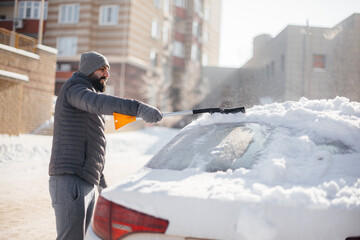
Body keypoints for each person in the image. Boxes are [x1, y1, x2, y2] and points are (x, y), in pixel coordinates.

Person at [48, 51, 163, 240]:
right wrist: (138, 108)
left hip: (86, 180)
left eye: (107, 70)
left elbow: (92, 144)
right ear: (89, 70)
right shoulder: (75, 89)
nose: (106, 75)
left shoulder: (87, 99)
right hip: (70, 179)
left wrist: (100, 182)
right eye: (102, 69)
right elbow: (99, 103)